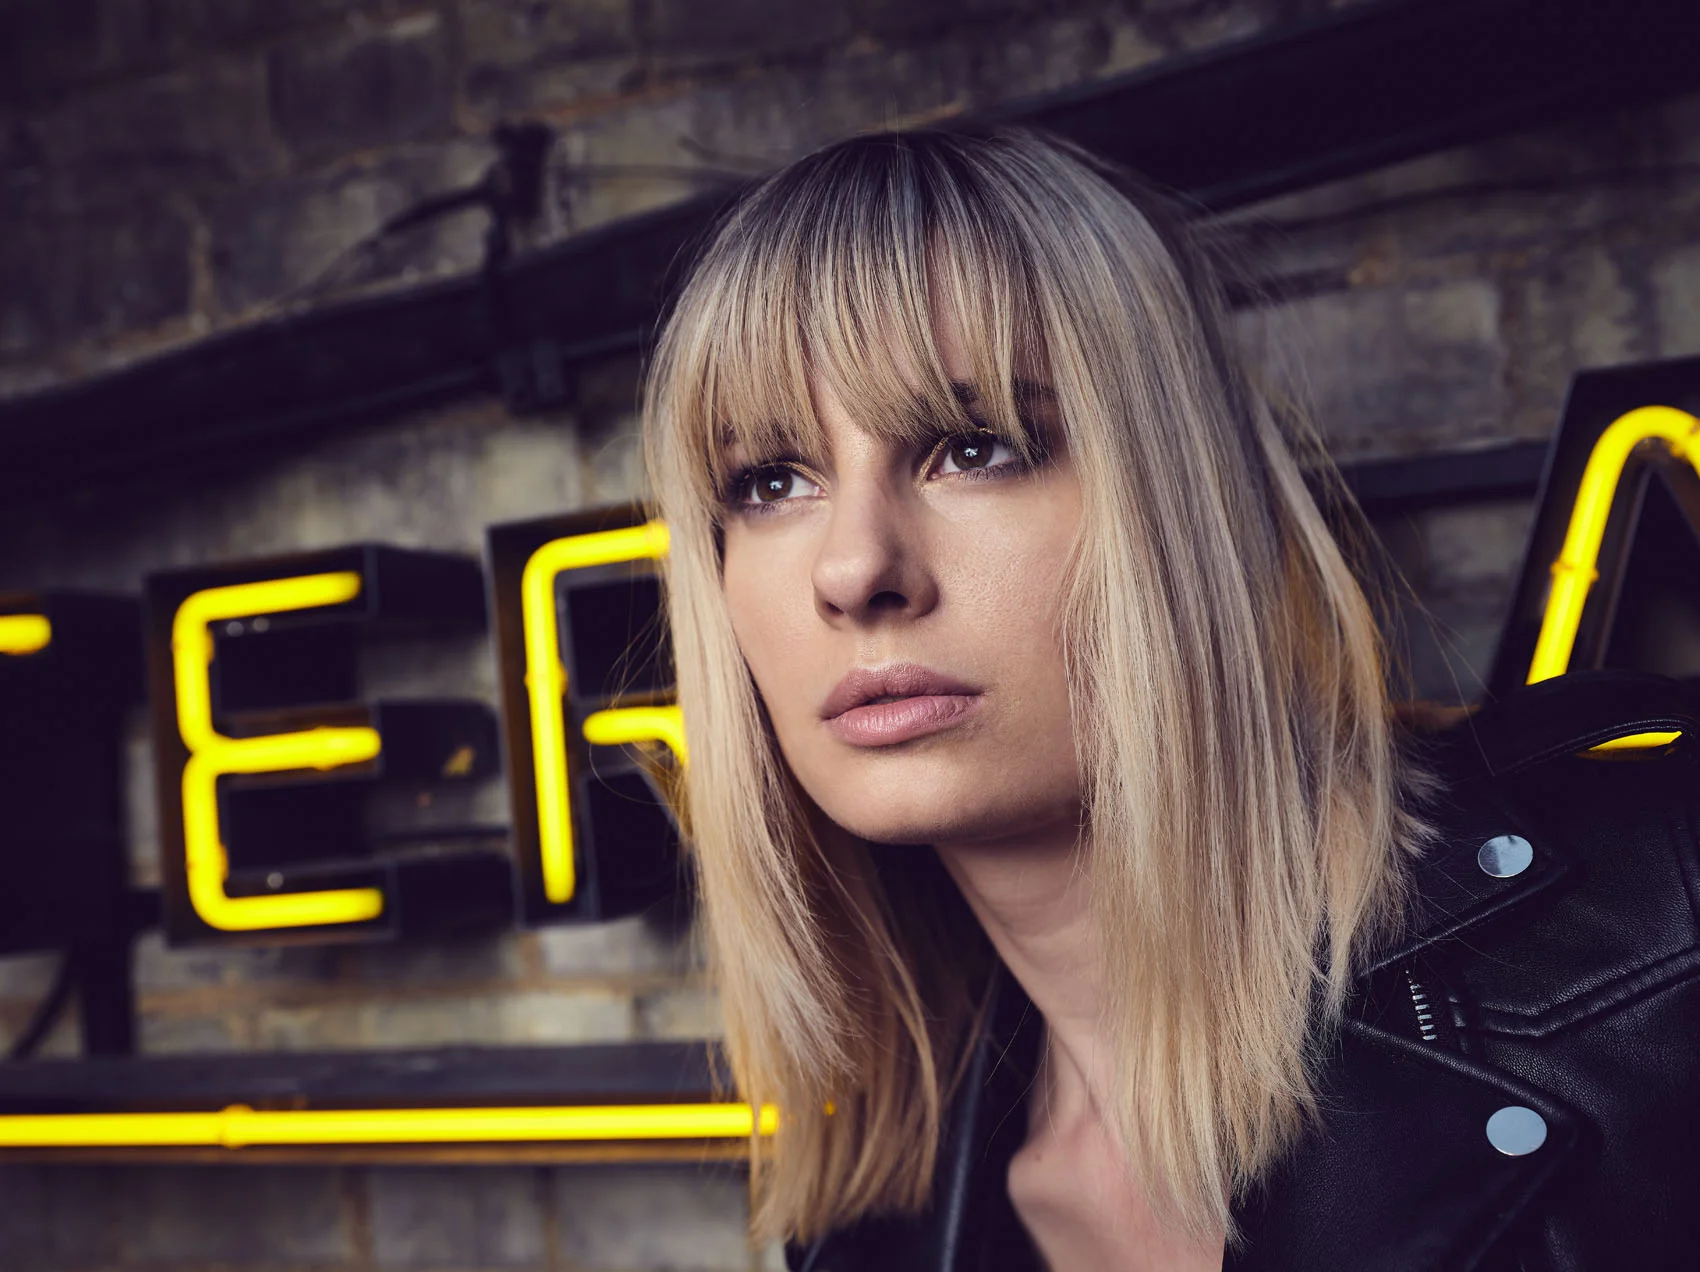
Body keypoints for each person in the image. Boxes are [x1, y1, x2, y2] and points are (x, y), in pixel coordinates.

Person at [638, 125, 1700, 1270]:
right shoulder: (868, 1234)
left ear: (1179, 501)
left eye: (974, 447)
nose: (852, 570)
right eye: (769, 480)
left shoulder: (1663, 931)